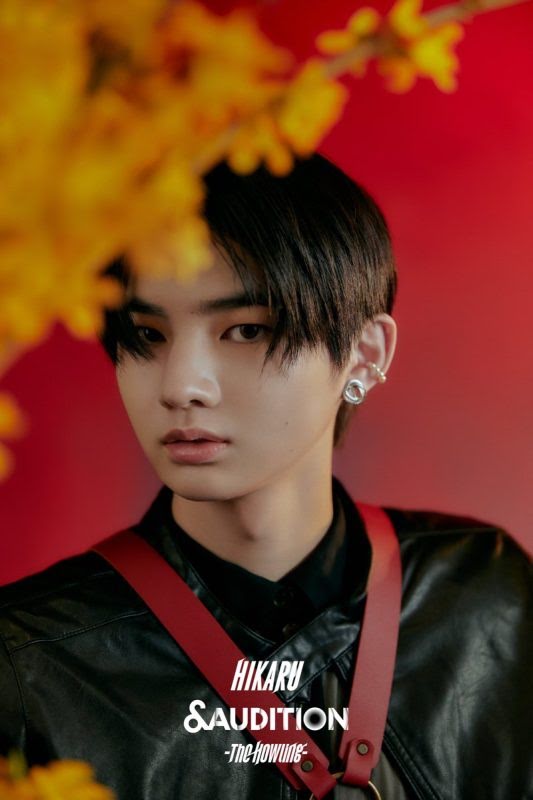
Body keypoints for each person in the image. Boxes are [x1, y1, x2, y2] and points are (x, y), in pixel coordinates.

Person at [0, 155, 531, 800]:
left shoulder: (485, 594)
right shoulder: (28, 662)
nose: (181, 386)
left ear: (364, 356)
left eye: (246, 330)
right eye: (147, 334)